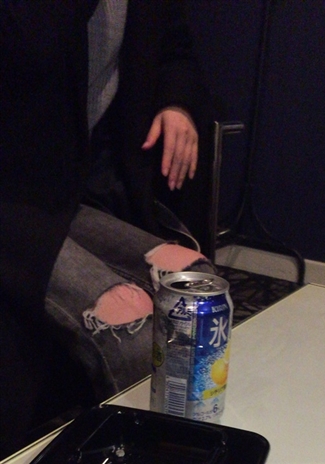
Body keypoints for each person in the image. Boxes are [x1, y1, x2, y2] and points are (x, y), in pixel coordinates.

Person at [0, 0, 215, 446]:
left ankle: (188, 444)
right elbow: (34, 47)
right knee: (127, 326)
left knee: (195, 285)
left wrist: (176, 104)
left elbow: (175, 48)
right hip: (14, 191)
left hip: (73, 185)